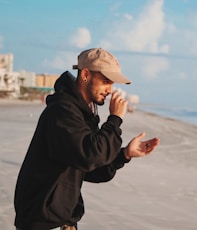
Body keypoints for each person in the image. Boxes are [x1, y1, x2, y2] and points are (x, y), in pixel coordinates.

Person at [14, 48, 160, 230]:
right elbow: (91, 156)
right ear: (85, 75)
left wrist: (124, 155)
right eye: (106, 81)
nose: (110, 89)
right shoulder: (63, 111)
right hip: (43, 220)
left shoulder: (83, 113)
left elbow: (91, 169)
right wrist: (115, 120)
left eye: (112, 83)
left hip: (63, 221)